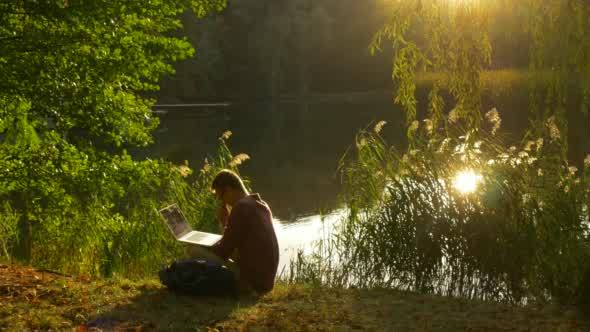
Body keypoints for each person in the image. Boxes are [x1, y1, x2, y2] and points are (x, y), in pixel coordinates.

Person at [188, 169, 279, 294]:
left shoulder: (241, 207)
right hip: (266, 282)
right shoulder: (261, 204)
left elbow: (223, 252)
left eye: (221, 196)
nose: (222, 202)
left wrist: (221, 223)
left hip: (253, 283)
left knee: (193, 250)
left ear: (229, 189)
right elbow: (236, 244)